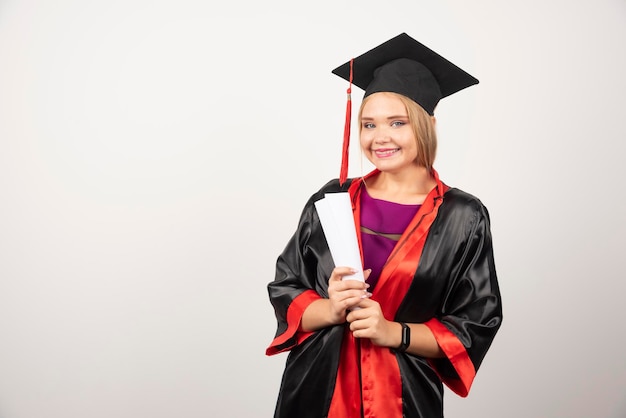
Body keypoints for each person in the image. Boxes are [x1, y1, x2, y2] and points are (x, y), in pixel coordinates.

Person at [265, 32, 503, 418]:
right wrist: (331, 309)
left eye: (397, 122)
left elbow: (474, 322)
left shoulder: (463, 216)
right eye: (369, 125)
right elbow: (286, 287)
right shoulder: (333, 200)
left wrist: (392, 332)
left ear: (427, 124)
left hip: (402, 396)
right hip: (315, 389)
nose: (381, 138)